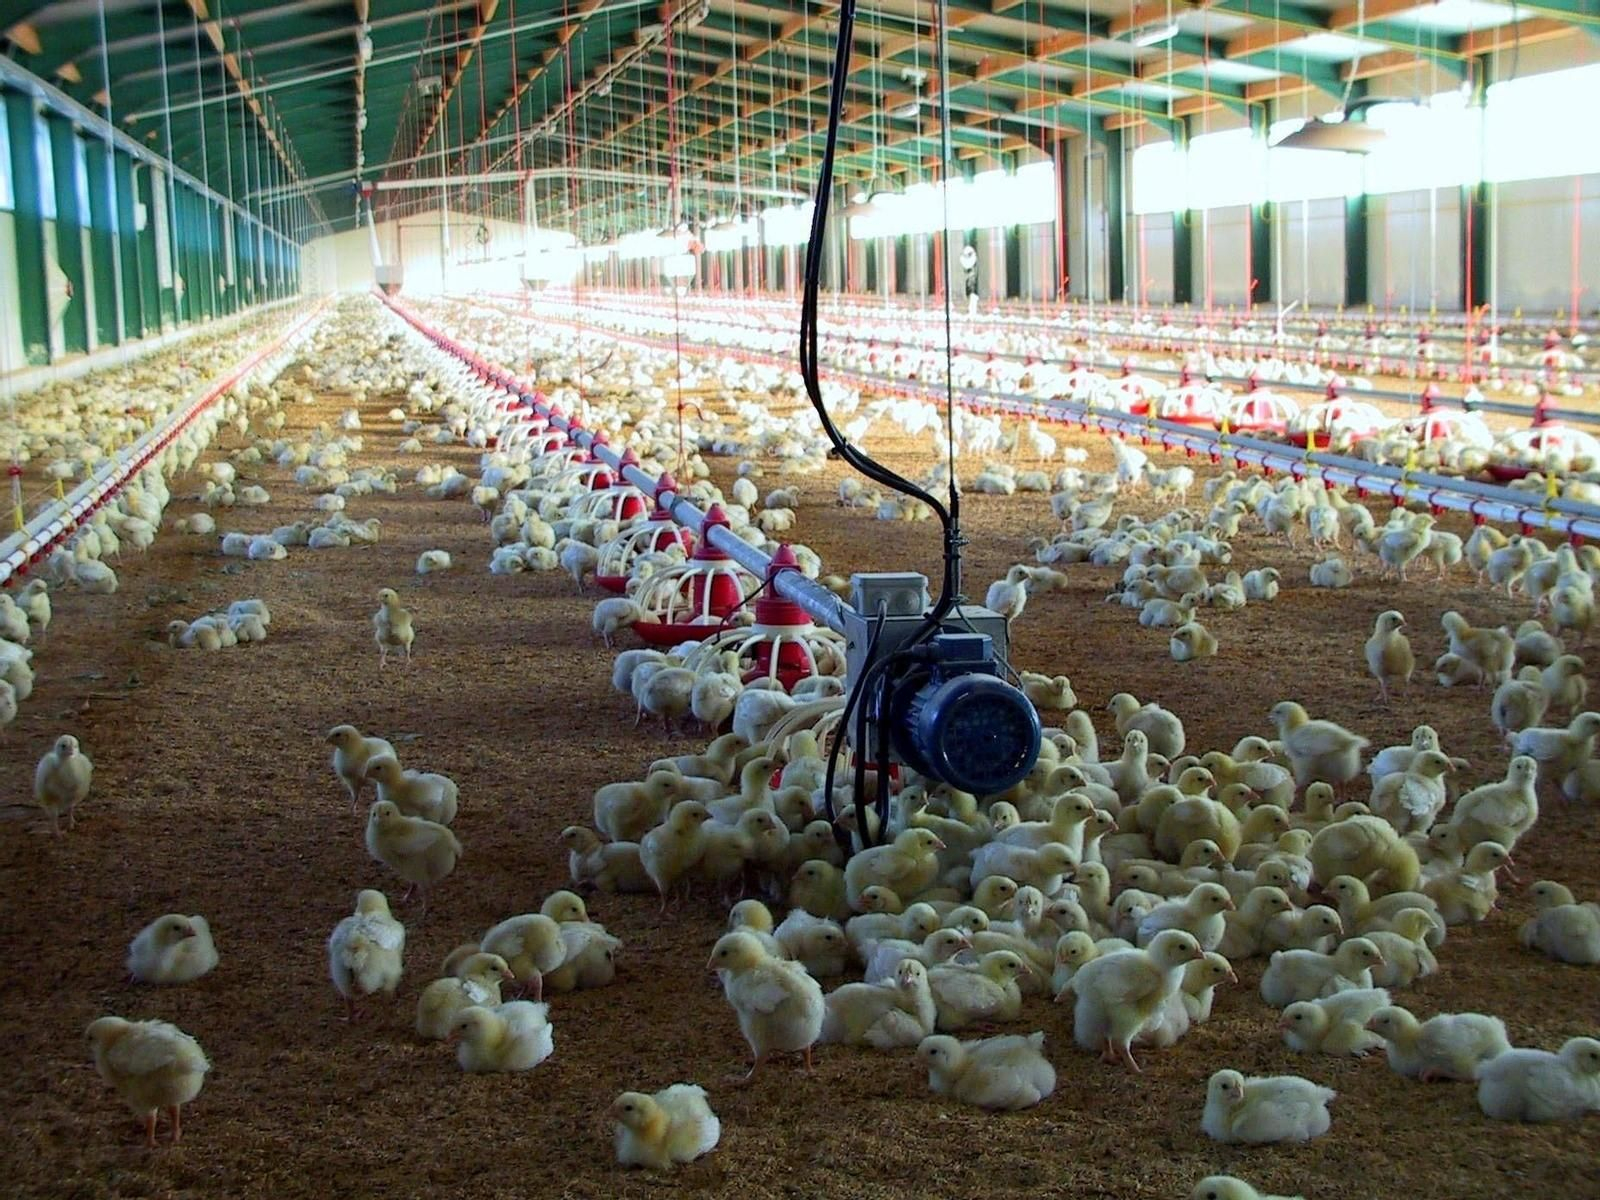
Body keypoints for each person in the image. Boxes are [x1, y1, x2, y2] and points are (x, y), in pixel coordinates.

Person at [960, 243, 979, 316]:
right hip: (972, 295)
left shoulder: (972, 276)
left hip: (973, 295)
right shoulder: (970, 277)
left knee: (973, 297)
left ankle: (972, 312)